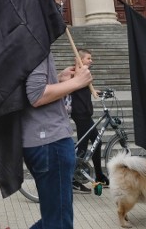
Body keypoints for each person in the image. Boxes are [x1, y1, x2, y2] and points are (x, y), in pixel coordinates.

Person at [20, 18, 93, 228]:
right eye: (56, 8)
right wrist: (76, 82)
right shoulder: (37, 46)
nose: (60, 16)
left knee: (54, 217)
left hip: (44, 140)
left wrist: (60, 79)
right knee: (58, 222)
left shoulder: (30, 43)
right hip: (49, 141)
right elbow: (36, 95)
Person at [69, 48, 107, 190]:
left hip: (85, 113)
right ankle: (73, 178)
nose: (91, 61)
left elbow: (85, 88)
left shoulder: (82, 75)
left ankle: (99, 175)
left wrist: (94, 90)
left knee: (96, 142)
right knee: (82, 148)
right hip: (81, 114)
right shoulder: (76, 74)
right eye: (88, 58)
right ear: (80, 60)